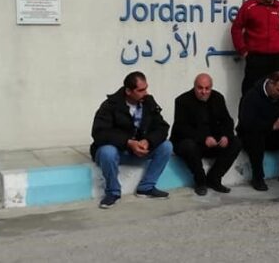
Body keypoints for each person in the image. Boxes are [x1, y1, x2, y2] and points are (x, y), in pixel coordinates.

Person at [90, 71, 173, 209]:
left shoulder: (148, 102)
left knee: (166, 146)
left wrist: (148, 141)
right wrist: (128, 142)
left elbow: (162, 127)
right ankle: (112, 192)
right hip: (119, 151)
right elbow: (99, 133)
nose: (145, 93)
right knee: (107, 152)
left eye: (146, 88)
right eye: (141, 90)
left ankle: (146, 187)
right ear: (128, 91)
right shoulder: (110, 105)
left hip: (139, 151)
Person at [171, 74, 242, 195]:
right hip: (193, 143)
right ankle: (200, 182)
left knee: (236, 142)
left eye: (207, 88)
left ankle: (214, 178)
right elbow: (181, 128)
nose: (203, 92)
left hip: (213, 142)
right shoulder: (182, 101)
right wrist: (203, 138)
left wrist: (225, 136)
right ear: (194, 87)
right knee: (189, 146)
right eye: (200, 88)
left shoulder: (218, 98)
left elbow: (227, 121)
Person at [231, 0, 279, 95]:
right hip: (256, 58)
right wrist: (242, 50)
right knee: (251, 91)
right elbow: (236, 28)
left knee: (278, 91)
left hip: (277, 58)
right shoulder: (249, 6)